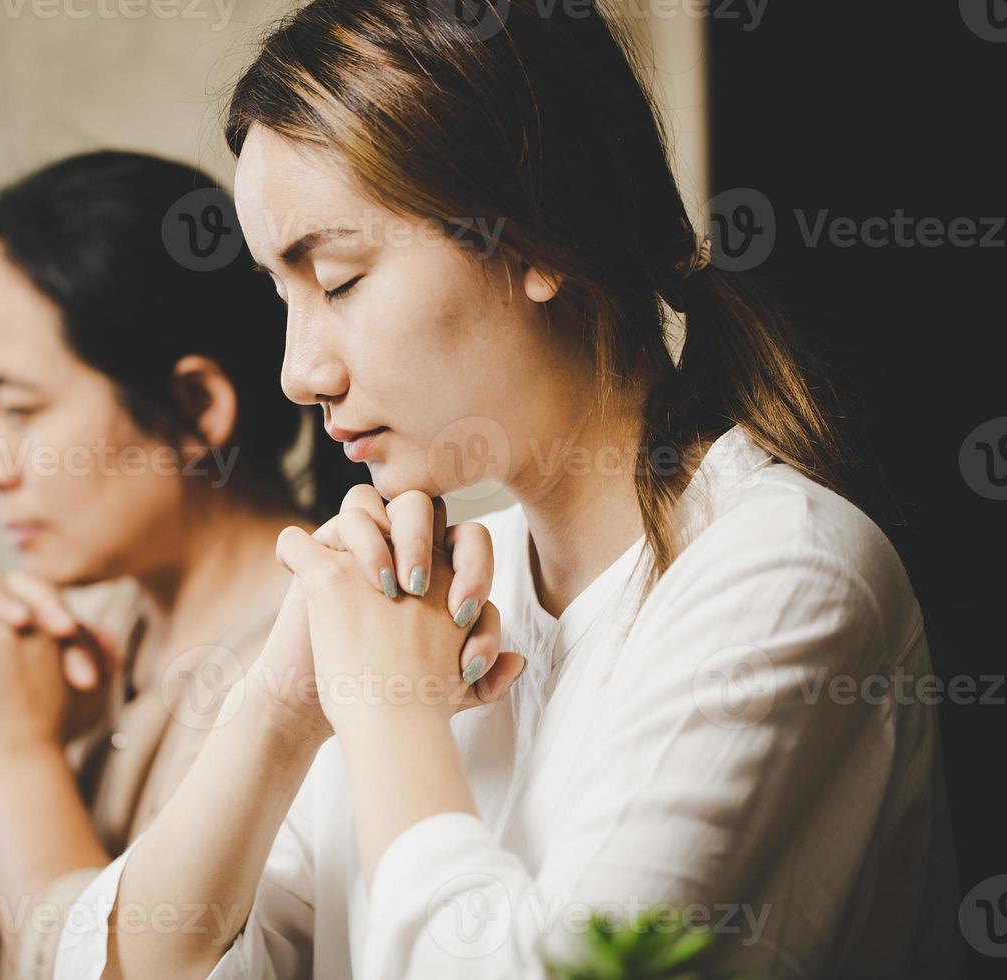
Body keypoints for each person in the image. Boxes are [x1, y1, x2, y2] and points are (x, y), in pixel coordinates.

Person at [52, 4, 961, 978]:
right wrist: (281, 709)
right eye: (284, 296)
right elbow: (134, 962)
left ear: (536, 236)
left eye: (340, 280)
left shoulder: (786, 576)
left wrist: (393, 710)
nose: (298, 370)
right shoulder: (431, 605)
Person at [0, 150, 376, 979]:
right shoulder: (70, 637)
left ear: (197, 405)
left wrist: (11, 755)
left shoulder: (321, 658)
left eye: (19, 408)